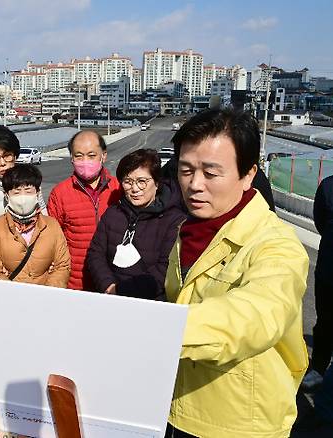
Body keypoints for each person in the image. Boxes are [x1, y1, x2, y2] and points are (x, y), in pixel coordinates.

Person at [164, 109, 309, 437]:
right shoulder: (190, 230)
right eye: (185, 170)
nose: (194, 185)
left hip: (240, 423)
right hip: (179, 406)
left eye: (211, 173)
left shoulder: (276, 244)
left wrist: (160, 330)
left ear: (248, 175)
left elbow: (257, 315)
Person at [86, 149, 185, 300]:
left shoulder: (174, 220)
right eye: (128, 181)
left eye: (142, 181)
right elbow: (95, 253)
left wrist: (121, 291)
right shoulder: (113, 214)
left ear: (157, 183)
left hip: (151, 303)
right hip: (110, 298)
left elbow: (165, 268)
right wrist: (108, 286)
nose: (135, 188)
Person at [47, 130, 121, 291]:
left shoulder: (118, 189)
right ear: (71, 158)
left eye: (91, 155)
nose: (85, 161)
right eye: (79, 156)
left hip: (113, 284)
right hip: (75, 284)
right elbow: (52, 241)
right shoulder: (59, 193)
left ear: (104, 156)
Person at [0, 164, 70, 287]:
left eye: (28, 191)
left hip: (46, 298)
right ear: (7, 195)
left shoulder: (52, 225)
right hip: (11, 299)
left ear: (37, 192)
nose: (23, 197)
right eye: (16, 192)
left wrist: (48, 293)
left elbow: (62, 265)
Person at [0, 125, 47, 221]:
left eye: (7, 156)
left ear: (15, 155)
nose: (2, 163)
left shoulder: (29, 179)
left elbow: (43, 216)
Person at [302, 174, 333, 389]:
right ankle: (319, 368)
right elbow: (320, 222)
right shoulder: (328, 186)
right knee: (324, 322)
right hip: (328, 272)